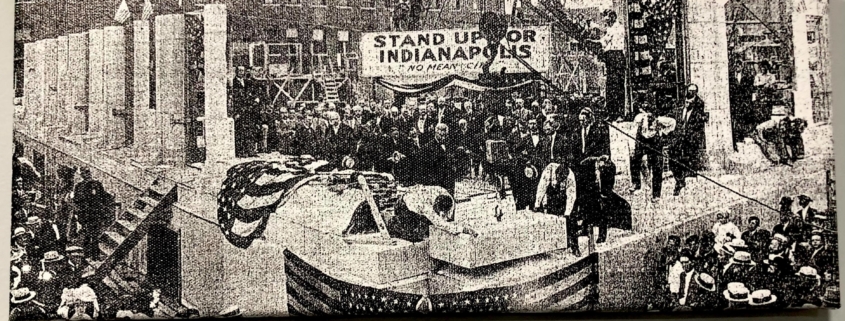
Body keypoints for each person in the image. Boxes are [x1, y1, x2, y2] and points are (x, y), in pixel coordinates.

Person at [573, 155, 631, 244]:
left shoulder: (610, 168)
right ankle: (585, 230)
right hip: (588, 191)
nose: (601, 169)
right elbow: (581, 184)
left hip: (602, 192)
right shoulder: (586, 164)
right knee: (588, 207)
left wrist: (604, 195)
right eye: (600, 167)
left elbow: (609, 186)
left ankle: (603, 236)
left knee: (618, 206)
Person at [630, 103, 676, 200]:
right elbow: (633, 132)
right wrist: (632, 148)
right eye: (647, 114)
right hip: (641, 141)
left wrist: (664, 133)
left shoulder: (661, 120)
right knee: (634, 159)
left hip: (655, 143)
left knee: (657, 166)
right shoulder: (639, 119)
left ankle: (656, 194)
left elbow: (673, 123)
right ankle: (636, 184)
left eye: (652, 116)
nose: (650, 118)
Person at [587, 9, 626, 121]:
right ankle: (612, 113)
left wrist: (593, 43)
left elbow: (605, 42)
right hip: (612, 57)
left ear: (612, 17)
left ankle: (618, 113)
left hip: (616, 57)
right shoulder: (611, 28)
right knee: (610, 86)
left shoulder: (617, 28)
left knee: (616, 87)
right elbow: (604, 42)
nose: (606, 21)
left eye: (607, 19)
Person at [670, 84, 707, 196]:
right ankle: (680, 179)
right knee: (674, 157)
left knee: (689, 159)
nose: (687, 101)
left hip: (691, 138)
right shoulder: (681, 109)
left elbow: (700, 123)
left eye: (693, 92)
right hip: (680, 138)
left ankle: (684, 181)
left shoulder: (699, 107)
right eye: (689, 91)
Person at [534, 163, 579, 255]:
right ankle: (555, 247)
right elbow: (542, 187)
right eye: (558, 177)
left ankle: (575, 247)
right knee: (552, 220)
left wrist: (567, 213)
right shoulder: (549, 170)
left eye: (561, 179)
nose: (559, 180)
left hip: (565, 198)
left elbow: (571, 196)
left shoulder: (570, 177)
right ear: (556, 173)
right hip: (553, 197)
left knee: (571, 222)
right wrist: (537, 204)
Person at [73, 168, 115, 260]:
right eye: (84, 173)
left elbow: (103, 197)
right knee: (89, 235)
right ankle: (89, 255)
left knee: (93, 235)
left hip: (94, 215)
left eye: (87, 173)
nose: (86, 175)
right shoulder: (80, 186)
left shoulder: (96, 184)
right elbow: (76, 201)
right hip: (87, 215)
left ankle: (92, 255)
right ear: (82, 175)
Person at [414, 124, 459, 196]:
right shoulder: (427, 147)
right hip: (436, 180)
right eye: (441, 135)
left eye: (445, 135)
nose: (443, 138)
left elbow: (453, 157)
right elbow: (424, 165)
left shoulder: (450, 144)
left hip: (449, 180)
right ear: (435, 133)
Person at [231, 66, 263, 157]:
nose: (241, 72)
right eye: (239, 70)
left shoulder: (247, 82)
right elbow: (235, 99)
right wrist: (236, 112)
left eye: (243, 71)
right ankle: (241, 152)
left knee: (250, 130)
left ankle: (250, 150)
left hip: (248, 110)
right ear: (236, 71)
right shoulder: (233, 83)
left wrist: (255, 99)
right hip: (240, 110)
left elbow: (253, 92)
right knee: (240, 131)